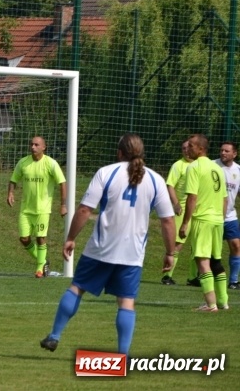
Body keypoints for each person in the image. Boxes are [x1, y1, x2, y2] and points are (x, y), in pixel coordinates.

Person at [39, 133, 176, 355]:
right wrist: (170, 252)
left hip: (100, 249)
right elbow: (168, 220)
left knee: (77, 288)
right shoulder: (156, 180)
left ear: (119, 151)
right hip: (132, 253)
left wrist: (71, 238)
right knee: (126, 302)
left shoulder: (106, 173)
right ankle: (123, 355)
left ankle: (54, 336)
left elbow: (85, 210)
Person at [7, 136, 68, 277]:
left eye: (36, 144)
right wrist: (10, 193)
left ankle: (40, 269)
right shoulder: (23, 163)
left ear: (43, 147)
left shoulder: (51, 164)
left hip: (43, 209)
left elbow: (62, 183)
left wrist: (63, 205)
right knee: (24, 239)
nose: (33, 147)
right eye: (31, 144)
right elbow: (13, 179)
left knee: (41, 238)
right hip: (25, 209)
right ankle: (43, 260)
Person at [180, 134, 228, 311]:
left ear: (201, 149)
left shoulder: (194, 168)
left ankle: (210, 305)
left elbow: (192, 197)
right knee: (216, 260)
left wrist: (185, 223)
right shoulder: (218, 169)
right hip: (217, 220)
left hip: (203, 219)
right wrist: (221, 219)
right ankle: (223, 302)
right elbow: (224, 199)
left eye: (191, 145)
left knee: (202, 261)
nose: (188, 148)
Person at [162, 139, 195, 285]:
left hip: (199, 210)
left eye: (188, 148)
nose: (186, 150)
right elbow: (170, 185)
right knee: (177, 244)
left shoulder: (198, 165)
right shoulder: (178, 165)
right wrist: (175, 204)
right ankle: (167, 276)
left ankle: (194, 278)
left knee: (197, 245)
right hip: (182, 210)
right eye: (183, 148)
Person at [215, 141, 240, 289]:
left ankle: (233, 281)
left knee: (236, 245)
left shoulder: (238, 170)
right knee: (212, 250)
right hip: (212, 215)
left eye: (226, 151)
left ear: (234, 154)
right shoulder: (213, 166)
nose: (223, 153)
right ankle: (205, 276)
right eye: (222, 150)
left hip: (230, 216)